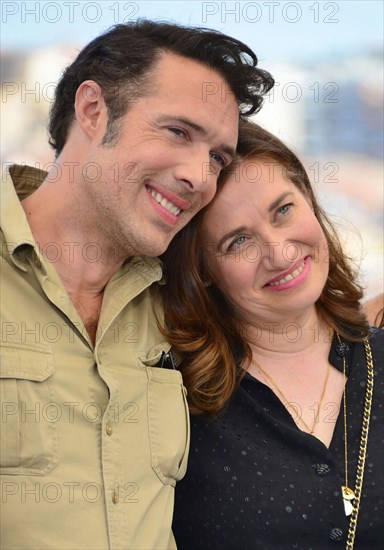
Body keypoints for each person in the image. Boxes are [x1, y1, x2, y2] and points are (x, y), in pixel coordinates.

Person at [0, 21, 274, 550]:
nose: (200, 176)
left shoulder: (185, 305)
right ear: (93, 110)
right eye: (178, 132)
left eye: (218, 158)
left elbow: (304, 321)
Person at [159, 121, 383, 549]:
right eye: (238, 241)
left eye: (283, 210)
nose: (279, 254)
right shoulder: (174, 400)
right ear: (202, 271)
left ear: (310, 202)